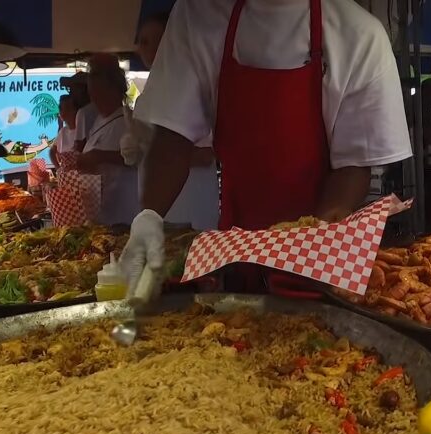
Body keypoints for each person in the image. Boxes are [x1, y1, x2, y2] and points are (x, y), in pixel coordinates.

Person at [121, 0, 411, 292]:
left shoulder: (359, 35)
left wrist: (307, 246)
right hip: (232, 252)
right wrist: (149, 217)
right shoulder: (198, 15)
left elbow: (353, 166)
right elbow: (172, 138)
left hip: (316, 254)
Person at [129, 9, 220, 231]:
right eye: (141, 41)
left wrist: (156, 150)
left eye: (148, 41)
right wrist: (139, 152)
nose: (141, 48)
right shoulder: (145, 96)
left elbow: (208, 155)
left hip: (193, 199)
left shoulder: (199, 86)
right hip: (158, 207)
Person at [76, 54, 140, 227]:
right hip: (102, 213)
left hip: (124, 215)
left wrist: (99, 156)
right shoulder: (98, 119)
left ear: (112, 88)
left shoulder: (129, 121)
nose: (93, 98)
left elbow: (138, 159)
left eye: (97, 92)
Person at [61, 71, 97, 153]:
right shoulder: (99, 108)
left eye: (72, 89)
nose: (70, 93)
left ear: (82, 90)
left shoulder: (83, 113)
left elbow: (79, 147)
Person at [50, 94, 77, 168]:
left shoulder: (82, 130)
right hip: (66, 176)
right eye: (60, 108)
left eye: (67, 108)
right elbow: (52, 151)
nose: (61, 112)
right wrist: (58, 168)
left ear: (74, 110)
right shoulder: (63, 131)